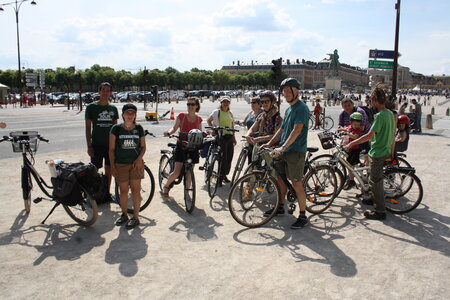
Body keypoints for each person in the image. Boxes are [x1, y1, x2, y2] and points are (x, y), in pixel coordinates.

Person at [262, 78, 310, 229]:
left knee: (296, 183)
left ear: (296, 91)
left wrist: (283, 147)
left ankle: (303, 216)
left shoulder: (301, 108)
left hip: (295, 151)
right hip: (284, 150)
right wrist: (270, 143)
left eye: (289, 91)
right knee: (281, 180)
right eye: (284, 92)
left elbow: (297, 130)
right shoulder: (289, 109)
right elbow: (282, 130)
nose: (286, 94)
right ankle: (280, 206)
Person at [344, 84, 396, 220]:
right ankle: (372, 198)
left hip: (378, 152)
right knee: (372, 177)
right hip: (384, 149)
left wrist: (352, 143)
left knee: (375, 182)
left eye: (371, 100)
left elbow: (369, 135)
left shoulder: (379, 116)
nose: (370, 103)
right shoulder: (390, 114)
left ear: (376, 100)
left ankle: (380, 211)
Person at [109, 104, 145, 229]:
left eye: (132, 113)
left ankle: (136, 217)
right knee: (123, 191)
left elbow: (143, 147)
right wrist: (112, 166)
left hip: (136, 164)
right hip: (121, 164)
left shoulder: (139, 128)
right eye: (127, 113)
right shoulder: (116, 129)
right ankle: (124, 214)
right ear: (123, 114)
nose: (130, 115)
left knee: (136, 191)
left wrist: (139, 159)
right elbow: (111, 149)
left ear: (135, 115)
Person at [162, 97, 203, 197]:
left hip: (193, 147)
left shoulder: (198, 119)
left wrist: (206, 133)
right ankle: (166, 186)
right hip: (182, 146)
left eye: (192, 104)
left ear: (197, 106)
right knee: (177, 171)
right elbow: (175, 128)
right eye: (188, 104)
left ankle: (187, 192)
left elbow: (200, 132)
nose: (190, 106)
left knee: (189, 172)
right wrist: (169, 132)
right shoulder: (182, 116)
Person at [85, 82, 119, 201]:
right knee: (95, 170)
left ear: (110, 93)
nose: (105, 92)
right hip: (97, 144)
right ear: (99, 91)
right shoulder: (91, 107)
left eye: (108, 90)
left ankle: (107, 193)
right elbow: (88, 128)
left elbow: (115, 129)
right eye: (103, 90)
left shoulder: (113, 108)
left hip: (110, 145)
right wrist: (89, 146)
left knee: (109, 169)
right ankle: (94, 194)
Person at [207, 97, 237, 186]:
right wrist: (213, 129)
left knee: (229, 157)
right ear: (221, 103)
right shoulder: (217, 112)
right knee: (223, 158)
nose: (225, 103)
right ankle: (220, 177)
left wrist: (234, 137)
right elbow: (209, 120)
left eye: (227, 102)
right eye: (224, 102)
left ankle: (224, 175)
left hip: (229, 136)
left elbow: (232, 125)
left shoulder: (230, 113)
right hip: (221, 136)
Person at [338, 112, 363, 190]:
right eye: (355, 124)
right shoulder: (350, 127)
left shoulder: (358, 130)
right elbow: (346, 129)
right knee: (349, 165)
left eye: (358, 124)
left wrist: (347, 134)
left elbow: (355, 137)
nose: (357, 126)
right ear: (351, 122)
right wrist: (341, 129)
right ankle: (358, 167)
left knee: (350, 167)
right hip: (349, 149)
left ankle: (351, 181)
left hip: (354, 150)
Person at [240, 97, 262, 163]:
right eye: (251, 102)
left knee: (256, 161)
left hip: (257, 140)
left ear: (259, 104)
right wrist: (236, 122)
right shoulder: (251, 113)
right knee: (249, 160)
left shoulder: (262, 114)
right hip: (249, 138)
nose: (252, 104)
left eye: (254, 102)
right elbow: (244, 122)